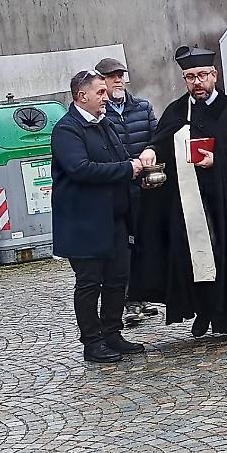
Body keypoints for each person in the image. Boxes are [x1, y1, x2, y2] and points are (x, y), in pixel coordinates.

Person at [132, 46, 227, 341]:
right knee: (192, 257)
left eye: (202, 76)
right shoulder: (177, 110)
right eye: (190, 77)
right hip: (188, 201)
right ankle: (204, 310)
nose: (197, 82)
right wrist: (150, 150)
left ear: (214, 76)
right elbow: (162, 139)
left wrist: (217, 160)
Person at [50, 70, 146, 363]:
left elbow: (118, 159)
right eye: (100, 92)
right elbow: (80, 169)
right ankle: (92, 342)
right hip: (83, 223)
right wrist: (128, 169)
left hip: (114, 219)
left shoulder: (104, 124)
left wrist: (138, 174)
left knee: (118, 278)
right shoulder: (67, 130)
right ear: (83, 96)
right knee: (90, 283)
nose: (106, 97)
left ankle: (112, 333)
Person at [95, 56, 159, 325]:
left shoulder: (142, 107)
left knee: (146, 242)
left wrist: (151, 151)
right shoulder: (99, 114)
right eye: (111, 77)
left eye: (120, 75)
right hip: (119, 188)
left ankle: (143, 295)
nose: (118, 80)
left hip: (146, 185)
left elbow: (157, 137)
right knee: (125, 246)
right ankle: (128, 301)